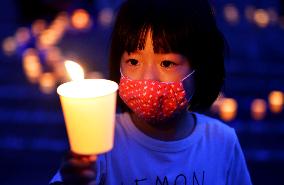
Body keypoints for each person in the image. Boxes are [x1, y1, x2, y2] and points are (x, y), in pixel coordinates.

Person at [50, 0, 252, 184]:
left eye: (167, 63)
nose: (147, 78)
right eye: (133, 61)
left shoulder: (221, 143)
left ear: (200, 67)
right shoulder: (100, 142)